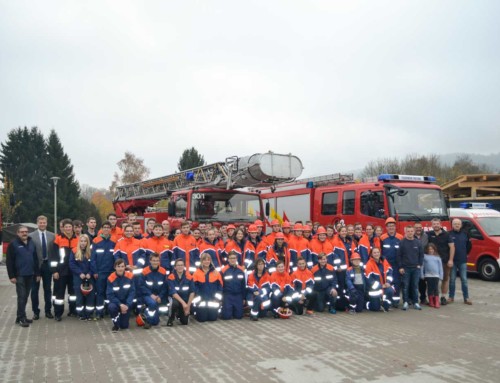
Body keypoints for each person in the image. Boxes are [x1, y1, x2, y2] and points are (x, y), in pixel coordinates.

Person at [7, 226, 40, 327]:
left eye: (26, 232)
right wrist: (11, 276)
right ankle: (21, 319)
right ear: (18, 233)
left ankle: (20, 316)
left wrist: (37, 273)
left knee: (25, 297)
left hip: (30, 274)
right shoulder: (13, 244)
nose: (25, 233)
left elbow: (35, 259)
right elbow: (9, 261)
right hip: (19, 275)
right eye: (22, 232)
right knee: (21, 297)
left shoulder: (31, 242)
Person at [51, 219, 79, 321]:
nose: (68, 228)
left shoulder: (78, 239)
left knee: (73, 293)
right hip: (61, 271)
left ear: (72, 228)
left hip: (73, 271)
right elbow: (53, 257)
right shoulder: (58, 239)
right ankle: (58, 313)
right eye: (66, 227)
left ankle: (73, 311)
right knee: (59, 294)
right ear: (63, 228)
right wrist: (54, 271)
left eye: (69, 226)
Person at [29, 215, 55, 320]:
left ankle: (48, 311)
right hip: (36, 266)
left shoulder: (52, 235)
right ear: (37, 223)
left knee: (48, 290)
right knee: (34, 290)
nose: (42, 224)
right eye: (40, 222)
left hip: (47, 265)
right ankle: (36, 312)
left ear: (47, 223)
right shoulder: (31, 236)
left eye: (44, 222)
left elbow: (54, 252)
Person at [91, 221, 116, 319]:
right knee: (100, 292)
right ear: (101, 229)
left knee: (109, 292)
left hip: (111, 271)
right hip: (100, 272)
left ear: (110, 229)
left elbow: (116, 257)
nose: (106, 229)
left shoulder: (114, 241)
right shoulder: (96, 241)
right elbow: (92, 258)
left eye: (108, 227)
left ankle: (109, 310)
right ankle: (99, 312)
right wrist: (95, 271)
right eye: (104, 227)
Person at [427, 218, 455, 306]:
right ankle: (432, 297)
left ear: (440, 224)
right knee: (432, 281)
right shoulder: (428, 234)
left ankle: (443, 297)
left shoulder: (447, 235)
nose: (436, 225)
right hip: (432, 262)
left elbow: (452, 247)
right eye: (434, 224)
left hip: (444, 261)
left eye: (437, 224)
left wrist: (450, 260)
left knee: (445, 279)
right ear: (432, 225)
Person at [397, 226, 424, 311]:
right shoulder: (402, 243)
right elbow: (399, 256)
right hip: (405, 268)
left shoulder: (418, 243)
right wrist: (400, 267)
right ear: (405, 232)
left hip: (415, 268)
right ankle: (405, 302)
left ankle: (416, 302)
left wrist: (419, 264)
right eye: (408, 231)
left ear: (414, 232)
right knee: (405, 286)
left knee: (415, 286)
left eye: (411, 231)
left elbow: (421, 255)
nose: (410, 233)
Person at [139, 253, 169, 328]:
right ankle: (148, 321)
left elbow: (165, 287)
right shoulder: (145, 271)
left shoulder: (163, 271)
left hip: (159, 295)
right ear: (150, 261)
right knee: (152, 304)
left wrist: (159, 296)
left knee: (159, 316)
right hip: (148, 295)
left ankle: (146, 312)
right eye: (154, 260)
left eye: (157, 260)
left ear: (159, 261)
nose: (155, 262)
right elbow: (141, 286)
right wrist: (151, 295)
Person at [69, 234, 95, 320]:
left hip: (89, 276)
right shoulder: (74, 251)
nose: (83, 243)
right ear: (79, 242)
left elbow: (94, 264)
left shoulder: (91, 252)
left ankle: (89, 314)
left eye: (85, 241)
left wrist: (90, 273)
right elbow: (72, 264)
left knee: (90, 296)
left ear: (88, 242)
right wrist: (80, 273)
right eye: (81, 241)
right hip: (78, 277)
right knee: (79, 296)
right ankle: (81, 314)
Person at [192, 253, 223, 322]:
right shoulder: (196, 273)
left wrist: (217, 298)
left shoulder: (216, 273)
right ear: (201, 261)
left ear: (210, 261)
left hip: (213, 300)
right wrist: (199, 297)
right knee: (202, 319)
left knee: (212, 319)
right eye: (204, 260)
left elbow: (220, 287)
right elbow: (194, 287)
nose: (206, 261)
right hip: (201, 300)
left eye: (208, 260)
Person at [380, 217, 403, 308]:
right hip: (386, 265)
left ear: (395, 227)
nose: (391, 228)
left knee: (397, 282)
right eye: (389, 226)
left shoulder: (400, 237)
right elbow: (380, 251)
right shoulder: (382, 238)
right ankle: (387, 300)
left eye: (392, 226)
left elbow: (403, 252)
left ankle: (396, 301)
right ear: (386, 227)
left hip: (397, 265)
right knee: (387, 282)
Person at [448, 218, 472, 305]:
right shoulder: (449, 234)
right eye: (455, 224)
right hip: (452, 261)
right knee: (452, 280)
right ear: (452, 225)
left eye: (458, 224)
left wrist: (465, 253)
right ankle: (451, 297)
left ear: (461, 225)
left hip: (462, 261)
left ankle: (466, 298)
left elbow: (469, 246)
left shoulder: (465, 234)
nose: (457, 225)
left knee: (464, 280)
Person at [106, 259, 135, 332]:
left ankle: (122, 317)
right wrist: (120, 304)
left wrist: (127, 305)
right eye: (118, 266)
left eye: (122, 266)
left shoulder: (130, 276)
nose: (120, 268)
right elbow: (110, 295)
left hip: (126, 303)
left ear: (125, 267)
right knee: (111, 307)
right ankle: (116, 324)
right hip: (116, 303)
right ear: (115, 267)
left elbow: (132, 292)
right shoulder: (111, 278)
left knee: (124, 326)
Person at [364, 247, 394, 312]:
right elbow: (369, 280)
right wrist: (381, 286)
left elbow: (390, 271)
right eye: (374, 253)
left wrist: (388, 282)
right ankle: (365, 304)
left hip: (385, 285)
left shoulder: (384, 261)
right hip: (374, 288)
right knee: (375, 308)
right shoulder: (369, 264)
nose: (376, 254)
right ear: (371, 254)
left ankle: (385, 305)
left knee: (390, 291)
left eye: (378, 252)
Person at [167, 259, 195, 326]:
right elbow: (173, 293)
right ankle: (171, 318)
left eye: (181, 265)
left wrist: (188, 306)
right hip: (175, 299)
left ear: (184, 266)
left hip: (185, 300)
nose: (180, 267)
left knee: (185, 322)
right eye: (178, 265)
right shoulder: (171, 277)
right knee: (174, 304)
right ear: (175, 267)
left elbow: (192, 292)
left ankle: (179, 313)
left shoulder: (189, 277)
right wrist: (183, 304)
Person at [221, 251, 246, 320]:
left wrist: (243, 298)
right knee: (226, 317)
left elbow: (243, 285)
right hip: (228, 295)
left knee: (239, 316)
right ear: (228, 259)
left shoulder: (241, 270)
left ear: (236, 259)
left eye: (234, 258)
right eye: (231, 258)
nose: (232, 260)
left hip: (238, 295)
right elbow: (221, 284)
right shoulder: (224, 270)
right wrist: (222, 297)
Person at [421, 243, 443, 308]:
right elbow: (422, 266)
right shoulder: (424, 256)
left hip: (436, 275)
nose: (431, 250)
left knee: (436, 288)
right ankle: (431, 301)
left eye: (432, 249)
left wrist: (441, 276)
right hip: (428, 275)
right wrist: (422, 274)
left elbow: (440, 267)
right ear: (427, 250)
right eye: (429, 249)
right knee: (430, 288)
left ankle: (436, 301)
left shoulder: (438, 257)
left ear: (434, 250)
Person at [414, 222, 429, 305]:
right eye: (416, 227)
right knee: (413, 281)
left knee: (422, 281)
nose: (418, 229)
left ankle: (423, 298)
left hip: (423, 261)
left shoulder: (426, 236)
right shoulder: (411, 236)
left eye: (420, 227)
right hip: (413, 262)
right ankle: (412, 298)